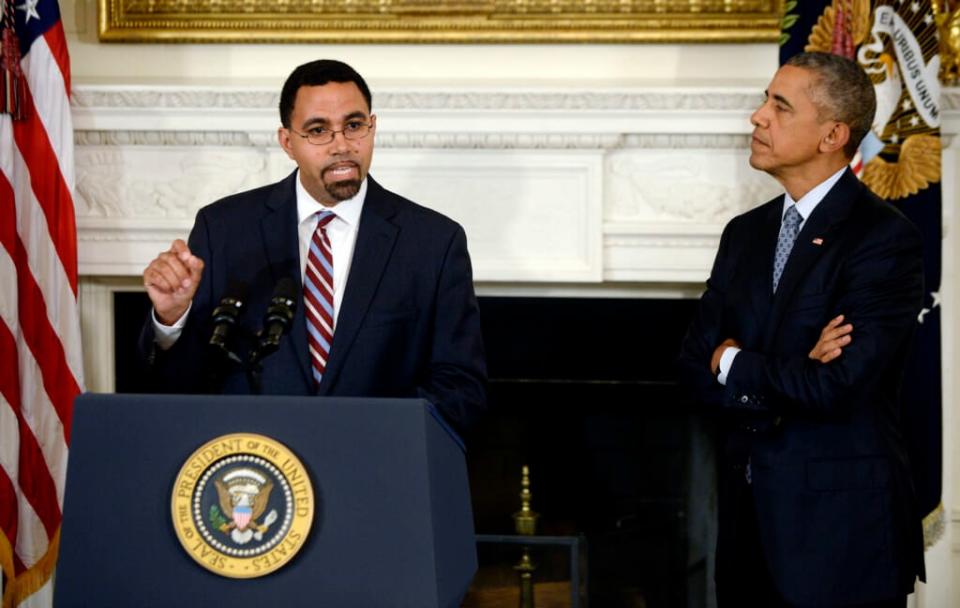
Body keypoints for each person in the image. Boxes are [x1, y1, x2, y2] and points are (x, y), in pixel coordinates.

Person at [678, 52, 925, 607]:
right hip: (746, 537)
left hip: (839, 542)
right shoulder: (744, 234)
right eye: (766, 99)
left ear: (832, 134)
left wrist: (735, 364)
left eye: (779, 106)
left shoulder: (882, 240)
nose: (757, 117)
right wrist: (792, 364)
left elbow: (835, 387)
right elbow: (693, 368)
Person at [138, 59, 486, 435]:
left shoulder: (433, 242)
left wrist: (373, 434)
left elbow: (461, 387)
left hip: (378, 471)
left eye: (354, 126)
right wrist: (172, 318)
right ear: (287, 142)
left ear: (373, 127)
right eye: (318, 130)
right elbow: (186, 384)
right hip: (256, 471)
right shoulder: (224, 229)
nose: (342, 146)